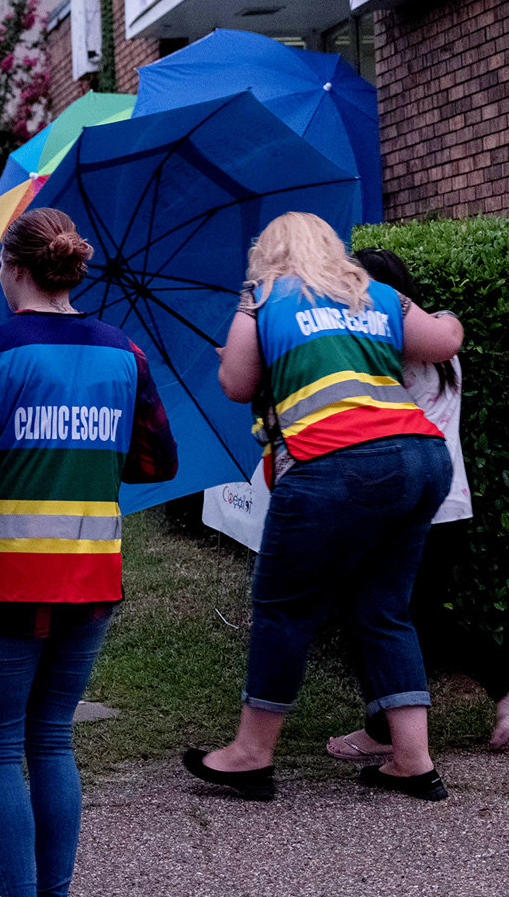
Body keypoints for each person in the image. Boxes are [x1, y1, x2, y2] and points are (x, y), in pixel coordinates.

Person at [0, 209, 178, 897]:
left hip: (0, 586)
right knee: (51, 739)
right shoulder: (124, 355)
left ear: (12, 270)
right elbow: (155, 463)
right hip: (88, 579)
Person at [184, 211, 461, 804]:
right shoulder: (373, 292)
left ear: (268, 253)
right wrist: (448, 314)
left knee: (283, 608)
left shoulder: (262, 297)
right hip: (420, 459)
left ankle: (251, 756)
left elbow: (235, 382)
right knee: (383, 608)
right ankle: (413, 762)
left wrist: (247, 324)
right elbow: (444, 343)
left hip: (331, 464)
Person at [324, 249, 509, 762]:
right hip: (451, 505)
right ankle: (506, 682)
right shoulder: (440, 349)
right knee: (411, 615)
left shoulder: (385, 353)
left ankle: (386, 731)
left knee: (378, 616)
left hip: (405, 508)